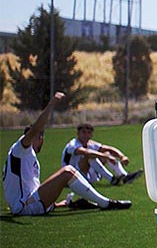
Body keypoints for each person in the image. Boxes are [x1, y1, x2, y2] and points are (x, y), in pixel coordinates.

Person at [2, 92, 131, 215]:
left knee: (71, 169)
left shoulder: (26, 154)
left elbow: (30, 188)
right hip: (24, 207)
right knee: (67, 171)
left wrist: (58, 204)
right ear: (39, 137)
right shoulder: (21, 148)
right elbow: (36, 128)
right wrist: (51, 104)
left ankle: (110, 187)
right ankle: (106, 203)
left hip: (27, 204)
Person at [62, 123, 143, 185]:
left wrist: (122, 156)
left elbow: (109, 149)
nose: (86, 135)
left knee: (105, 153)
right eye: (83, 132)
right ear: (78, 133)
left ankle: (124, 176)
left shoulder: (90, 144)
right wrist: (105, 156)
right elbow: (85, 152)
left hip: (88, 175)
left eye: (88, 132)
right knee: (90, 156)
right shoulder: (73, 144)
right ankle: (112, 179)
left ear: (91, 135)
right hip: (73, 176)